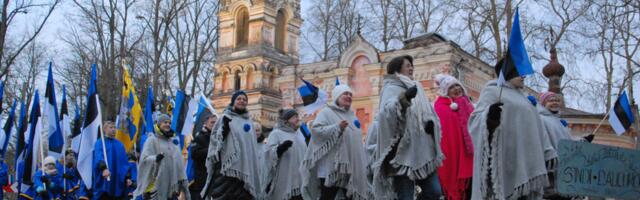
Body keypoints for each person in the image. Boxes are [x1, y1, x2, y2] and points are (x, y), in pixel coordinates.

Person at [468, 59, 557, 199]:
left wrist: (547, 149)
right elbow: (474, 122)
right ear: (507, 73)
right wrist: (490, 118)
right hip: (503, 158)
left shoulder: (525, 97)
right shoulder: (492, 91)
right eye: (518, 73)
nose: (523, 76)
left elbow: (538, 126)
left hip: (525, 158)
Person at [367, 55, 443, 200]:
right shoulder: (390, 87)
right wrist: (403, 99)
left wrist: (431, 123)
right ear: (397, 68)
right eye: (407, 65)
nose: (411, 68)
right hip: (401, 153)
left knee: (434, 192)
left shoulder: (418, 87)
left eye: (411, 65)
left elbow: (428, 112)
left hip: (422, 150)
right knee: (405, 196)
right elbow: (386, 114)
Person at [301, 84, 372, 200]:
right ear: (337, 96)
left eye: (350, 94)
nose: (349, 96)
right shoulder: (326, 112)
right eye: (345, 94)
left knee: (351, 196)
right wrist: (337, 128)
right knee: (328, 196)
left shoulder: (352, 116)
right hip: (331, 167)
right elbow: (316, 131)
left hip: (350, 167)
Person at [202, 90, 261, 199]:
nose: (242, 101)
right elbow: (215, 142)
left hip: (245, 170)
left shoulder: (249, 122)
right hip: (227, 170)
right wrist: (224, 129)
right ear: (233, 101)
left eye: (244, 99)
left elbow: (252, 147)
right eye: (239, 99)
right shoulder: (224, 118)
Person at [433, 74, 475, 200]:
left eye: (458, 85)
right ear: (446, 91)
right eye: (452, 87)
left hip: (470, 157)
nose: (457, 89)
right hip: (451, 156)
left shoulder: (467, 105)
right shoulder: (441, 108)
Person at [134, 114, 191, 199]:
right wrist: (155, 158)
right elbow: (144, 159)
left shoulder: (172, 142)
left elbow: (178, 164)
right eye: (165, 122)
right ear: (159, 124)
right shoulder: (152, 140)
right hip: (155, 188)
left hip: (171, 188)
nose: (168, 124)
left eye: (169, 123)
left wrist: (182, 180)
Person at [263, 108, 306, 200]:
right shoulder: (276, 133)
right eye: (295, 117)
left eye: (297, 116)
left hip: (299, 177)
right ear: (286, 120)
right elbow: (268, 154)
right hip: (284, 176)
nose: (298, 119)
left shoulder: (298, 133)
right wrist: (280, 149)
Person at [92, 121, 130, 199]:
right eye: (111, 127)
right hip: (105, 181)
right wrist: (103, 168)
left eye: (114, 127)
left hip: (118, 182)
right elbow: (98, 156)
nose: (113, 129)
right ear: (105, 129)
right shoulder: (100, 143)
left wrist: (127, 177)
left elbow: (124, 163)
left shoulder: (120, 145)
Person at [189, 113, 217, 199]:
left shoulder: (220, 137)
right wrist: (211, 150)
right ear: (205, 123)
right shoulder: (199, 137)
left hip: (217, 177)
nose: (214, 125)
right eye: (212, 122)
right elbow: (194, 154)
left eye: (216, 123)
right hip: (203, 178)